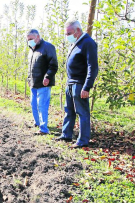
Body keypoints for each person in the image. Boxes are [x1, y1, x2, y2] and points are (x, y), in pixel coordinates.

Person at [55, 19, 98, 148]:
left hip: (79, 84)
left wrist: (87, 87)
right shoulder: (75, 43)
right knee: (69, 110)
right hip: (70, 83)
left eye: (69, 33)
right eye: (66, 34)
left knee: (82, 112)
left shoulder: (88, 43)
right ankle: (66, 135)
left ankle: (83, 140)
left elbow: (93, 67)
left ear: (78, 30)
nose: (67, 36)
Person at [27, 29, 58, 135]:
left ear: (38, 37)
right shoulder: (32, 50)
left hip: (44, 83)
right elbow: (30, 67)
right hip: (33, 83)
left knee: (42, 105)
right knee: (33, 104)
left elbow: (53, 64)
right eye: (28, 39)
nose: (29, 41)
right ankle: (38, 122)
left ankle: (44, 129)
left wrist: (48, 77)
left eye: (31, 39)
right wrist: (29, 78)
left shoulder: (48, 47)